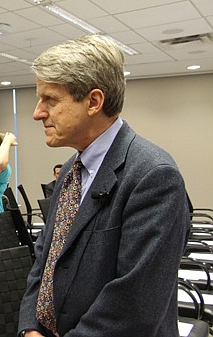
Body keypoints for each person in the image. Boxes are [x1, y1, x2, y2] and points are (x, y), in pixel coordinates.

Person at [18, 35, 189, 337]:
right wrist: (30, 327)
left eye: (50, 100)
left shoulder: (153, 176)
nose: (37, 112)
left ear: (94, 102)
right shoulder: (72, 169)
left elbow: (135, 305)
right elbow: (44, 261)